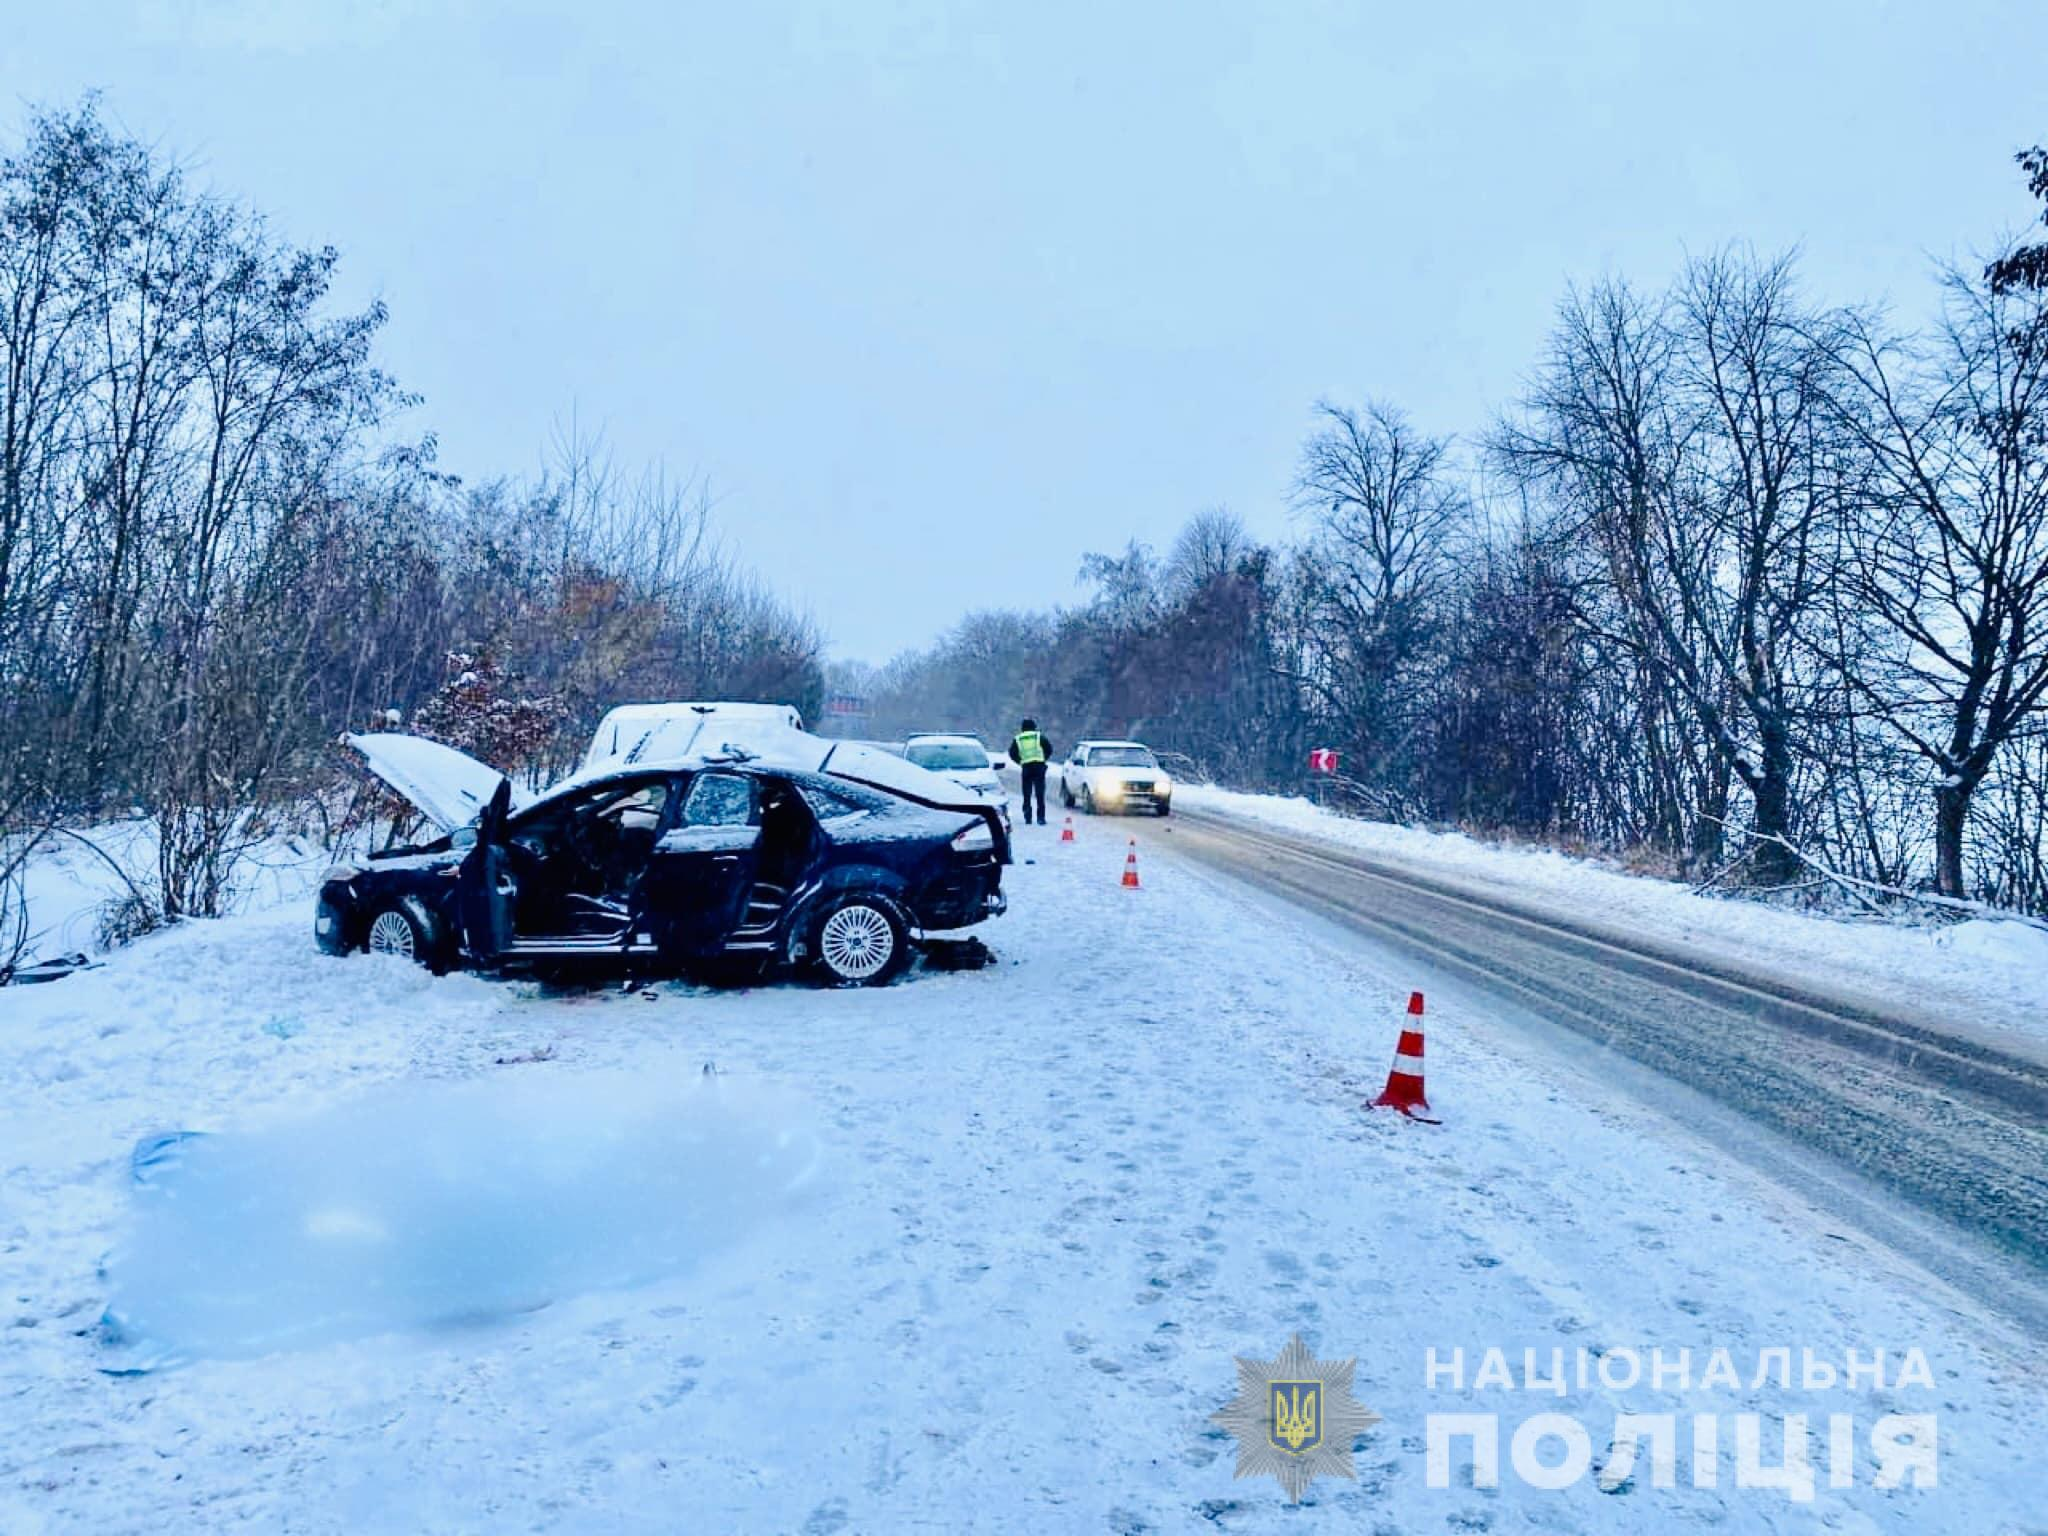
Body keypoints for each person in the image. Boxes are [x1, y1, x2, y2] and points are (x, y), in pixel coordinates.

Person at [1008, 718, 1054, 826]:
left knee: (1027, 794)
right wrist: (1043, 759)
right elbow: (1049, 749)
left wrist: (1020, 761)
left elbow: (1012, 753)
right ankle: (1041, 818)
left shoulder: (1018, 738)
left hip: (1026, 768)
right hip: (1039, 767)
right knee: (1040, 794)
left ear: (1022, 728)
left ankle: (1027, 817)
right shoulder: (1039, 736)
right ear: (1034, 726)